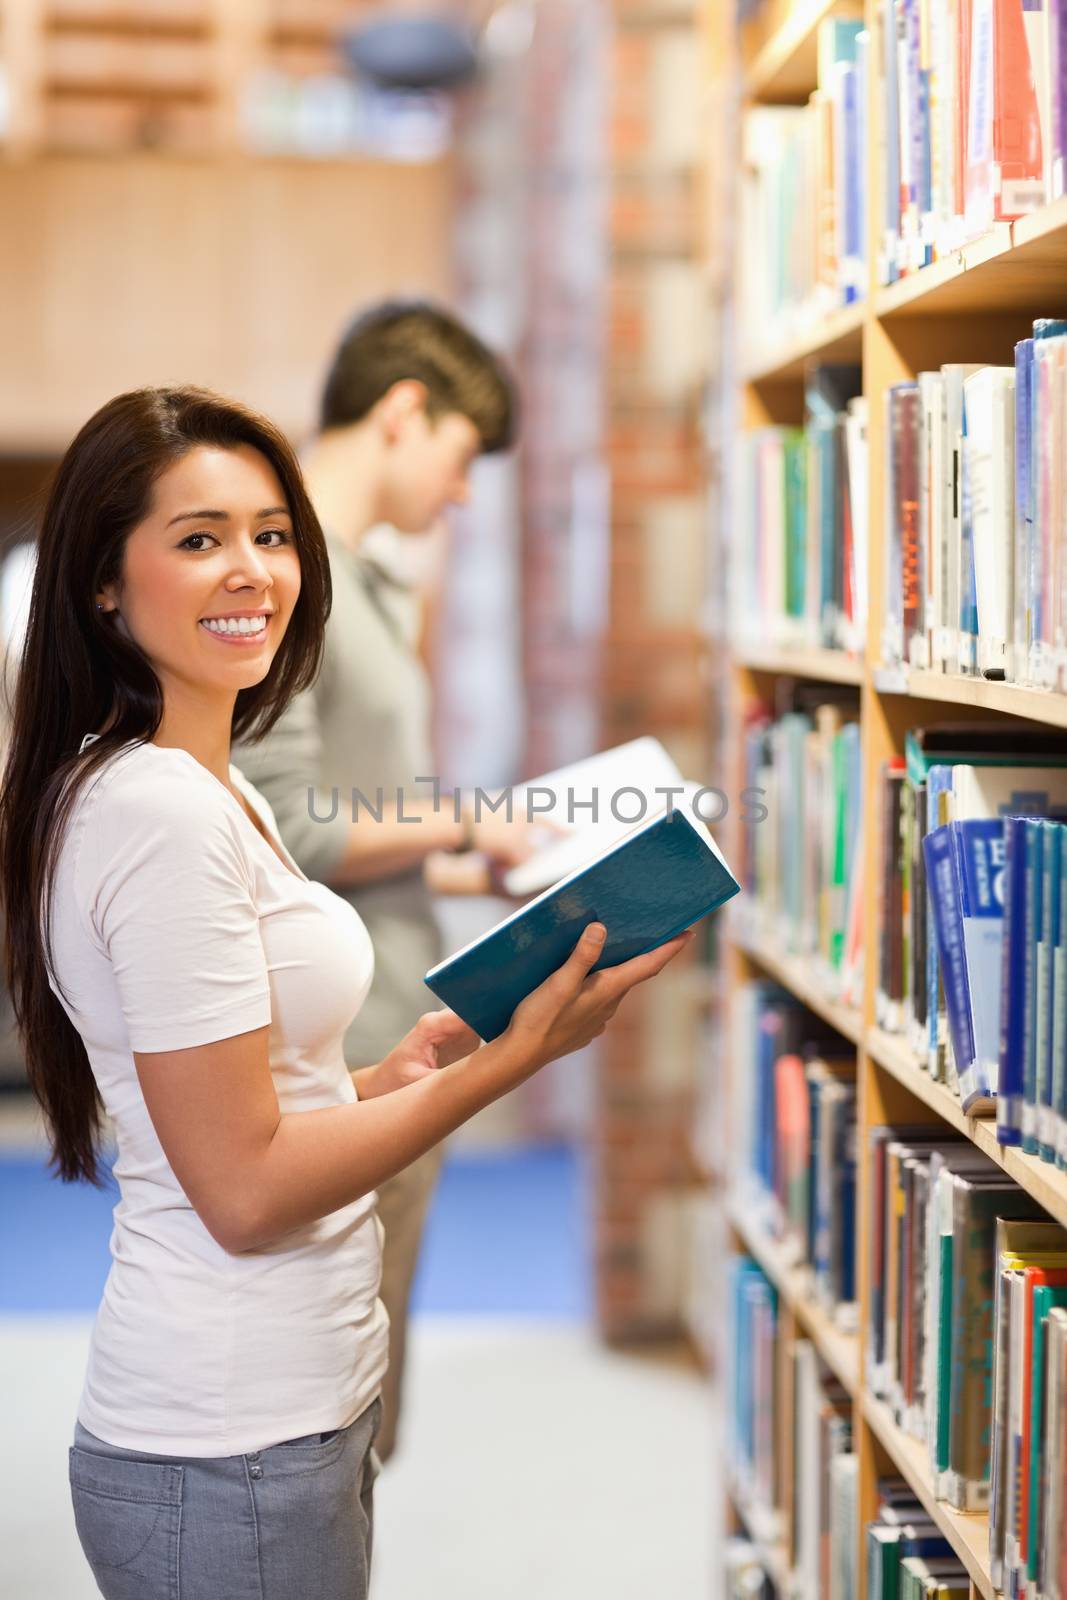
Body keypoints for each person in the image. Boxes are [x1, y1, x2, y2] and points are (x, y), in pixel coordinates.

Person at [0, 386, 690, 1600]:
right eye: (198, 538)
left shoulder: (213, 788)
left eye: (271, 534)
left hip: (280, 1413)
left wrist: (386, 1074)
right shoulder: (157, 813)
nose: (252, 571)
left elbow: (247, 1105)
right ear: (103, 583)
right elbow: (245, 1192)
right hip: (223, 1437)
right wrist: (506, 1061)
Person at [232, 300, 532, 1461]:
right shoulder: (289, 575)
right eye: (459, 460)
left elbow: (359, 804)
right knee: (332, 1417)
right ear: (403, 415)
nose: (457, 494)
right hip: (340, 1050)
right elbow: (289, 824)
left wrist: (488, 853)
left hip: (396, 1016)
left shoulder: (364, 579)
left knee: (367, 1394)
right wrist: (467, 816)